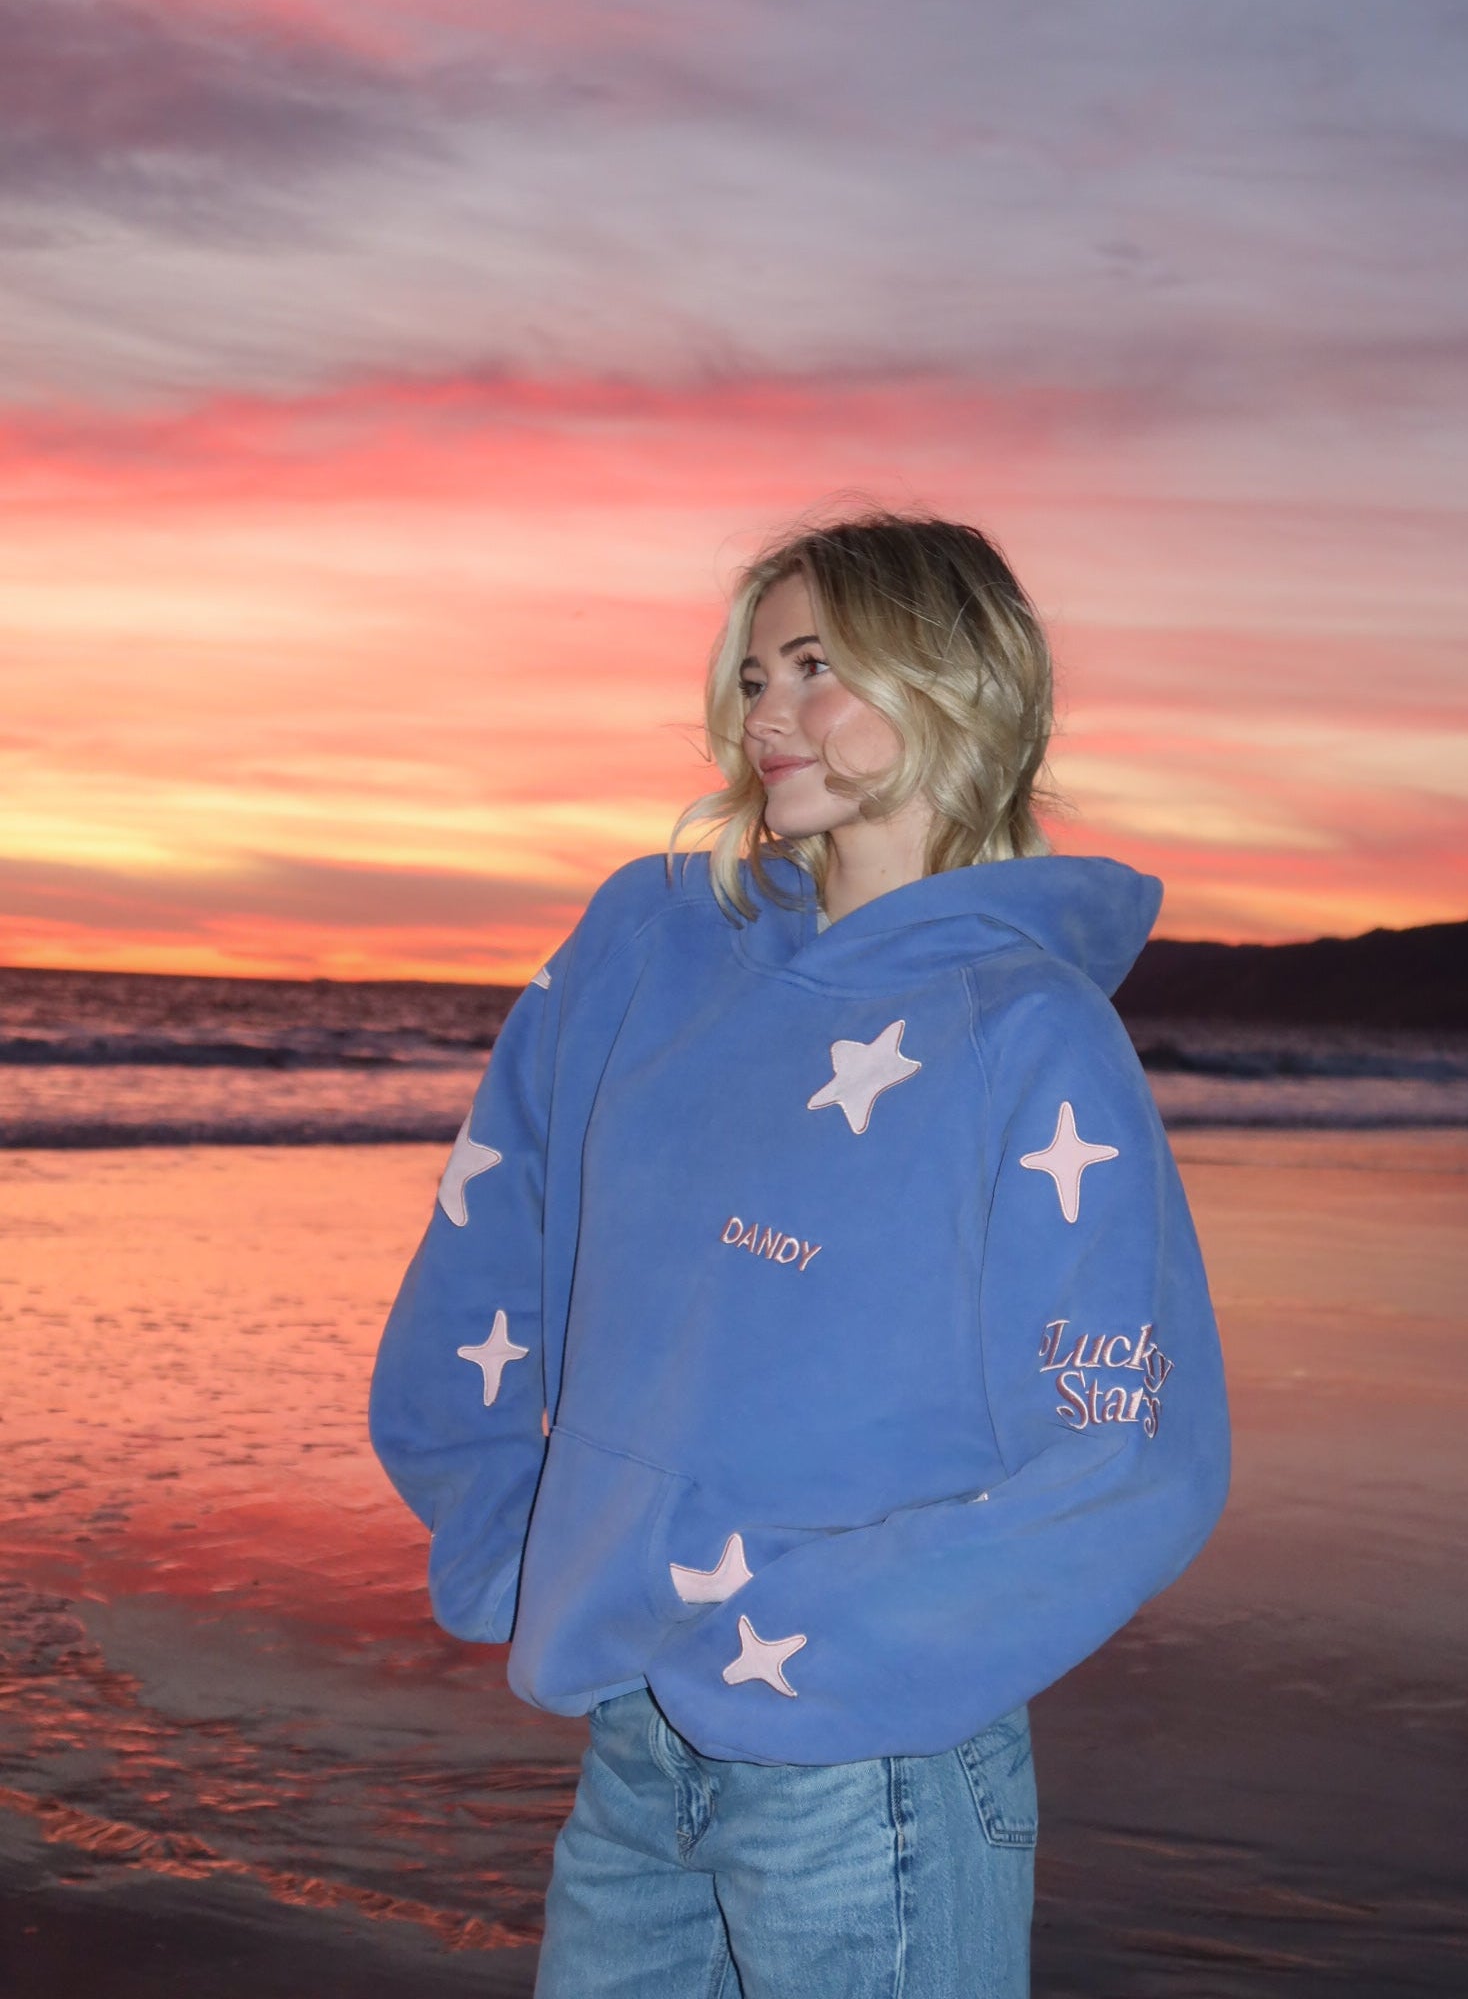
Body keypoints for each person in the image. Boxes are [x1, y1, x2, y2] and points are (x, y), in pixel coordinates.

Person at [368, 511, 1231, 1998]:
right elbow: (493, 1218)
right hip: (637, 1724)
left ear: (954, 680)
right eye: (755, 673)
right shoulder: (648, 950)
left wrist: (821, 1645)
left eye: (819, 666)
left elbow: (1128, 1446)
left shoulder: (1027, 1033)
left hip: (872, 1760)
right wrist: (508, 1521)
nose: (767, 711)